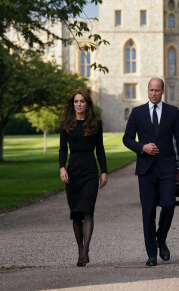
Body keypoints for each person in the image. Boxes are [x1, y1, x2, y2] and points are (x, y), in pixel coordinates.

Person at [122, 78, 179, 267]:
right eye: (151, 90)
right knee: (148, 212)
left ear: (163, 91)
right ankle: (151, 254)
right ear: (147, 91)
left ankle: (161, 238)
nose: (153, 93)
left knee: (169, 204)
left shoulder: (173, 112)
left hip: (167, 168)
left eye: (157, 90)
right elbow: (127, 139)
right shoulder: (137, 113)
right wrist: (142, 147)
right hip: (146, 170)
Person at [59, 90, 108, 267]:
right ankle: (80, 251)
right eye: (76, 101)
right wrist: (62, 167)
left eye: (82, 101)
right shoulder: (66, 124)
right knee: (76, 214)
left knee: (88, 210)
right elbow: (62, 149)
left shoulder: (96, 124)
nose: (79, 104)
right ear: (73, 104)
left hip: (89, 171)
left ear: (87, 104)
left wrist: (104, 171)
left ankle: (86, 250)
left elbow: (100, 149)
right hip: (73, 171)